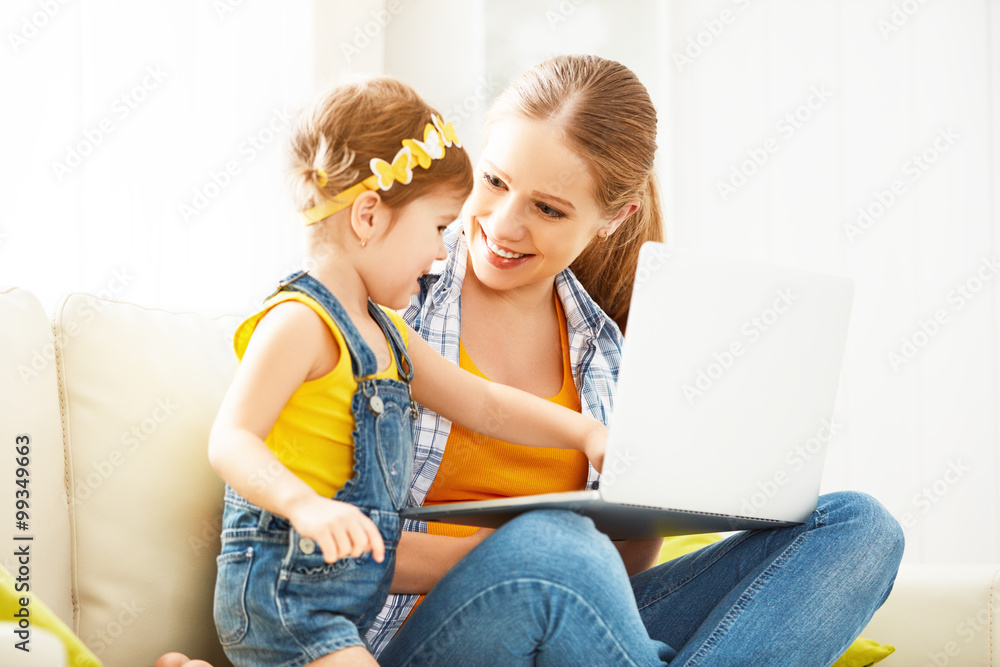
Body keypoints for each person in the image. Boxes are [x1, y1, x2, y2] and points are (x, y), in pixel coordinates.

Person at [367, 55, 905, 666]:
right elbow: (323, 555)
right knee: (555, 552)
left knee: (860, 529)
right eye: (494, 181)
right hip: (422, 639)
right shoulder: (388, 306)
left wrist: (661, 491)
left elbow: (616, 573)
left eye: (549, 209)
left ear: (612, 220)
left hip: (575, 629)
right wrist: (527, 555)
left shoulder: (605, 350)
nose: (504, 224)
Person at [206, 76, 606, 667]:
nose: (444, 254)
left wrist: (585, 433)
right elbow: (230, 439)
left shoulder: (390, 334)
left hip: (347, 600)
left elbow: (482, 403)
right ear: (368, 217)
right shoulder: (299, 322)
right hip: (284, 595)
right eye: (437, 228)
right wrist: (303, 505)